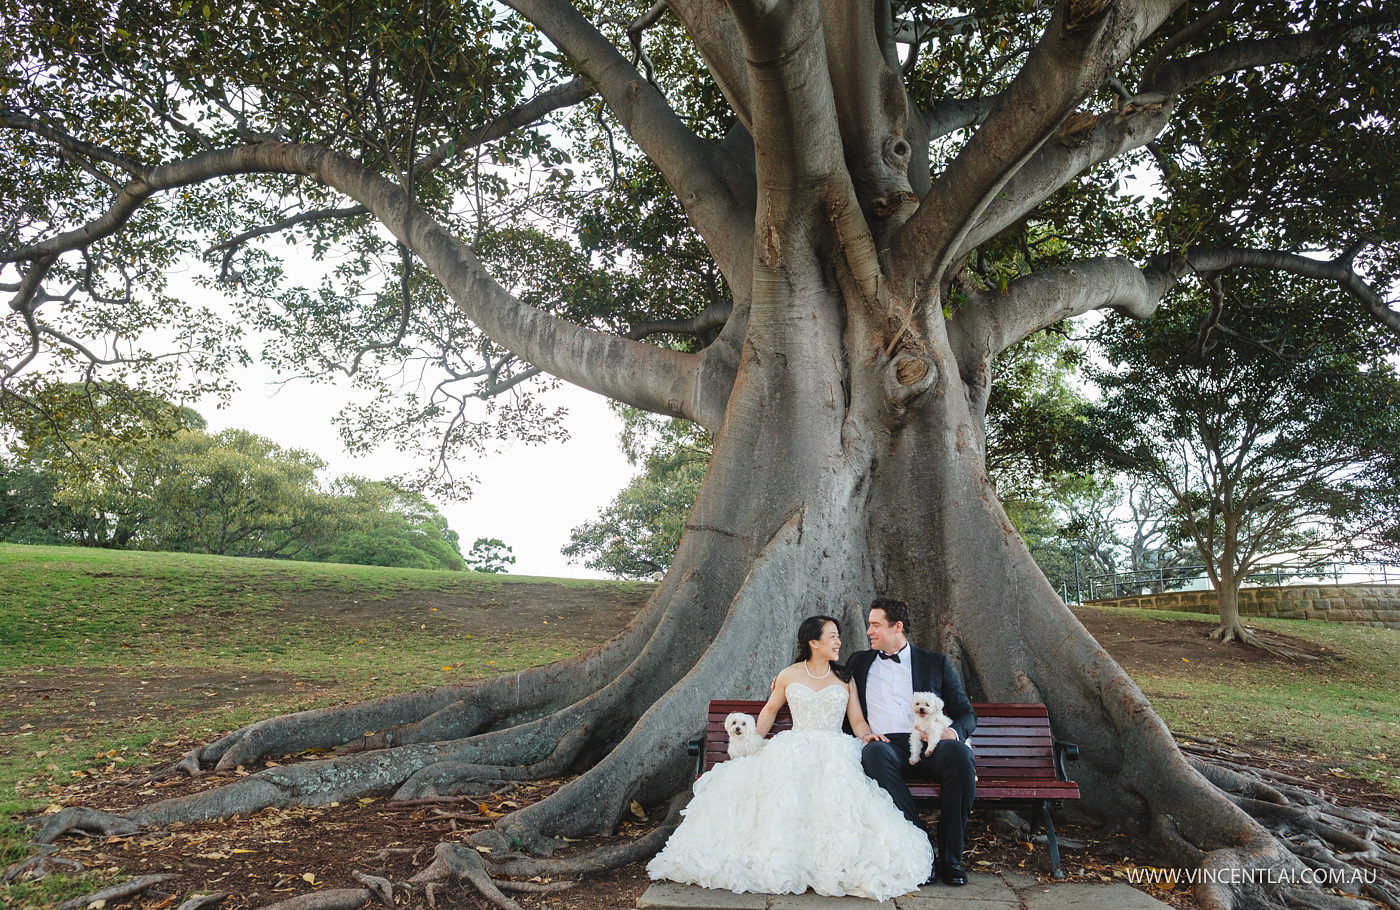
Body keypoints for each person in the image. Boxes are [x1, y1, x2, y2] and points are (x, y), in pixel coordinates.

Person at [646, 616, 933, 901]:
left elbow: (856, 720)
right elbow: (770, 711)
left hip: (836, 749)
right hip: (794, 746)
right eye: (832, 636)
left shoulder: (845, 677)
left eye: (838, 636)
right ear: (813, 642)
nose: (838, 642)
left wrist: (867, 735)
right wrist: (753, 743)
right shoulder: (788, 675)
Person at [847, 597, 978, 886]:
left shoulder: (935, 662)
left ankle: (951, 859)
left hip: (931, 744)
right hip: (887, 746)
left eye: (875, 625)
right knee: (873, 753)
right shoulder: (858, 661)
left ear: (897, 627)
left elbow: (966, 714)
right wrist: (789, 677)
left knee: (960, 756)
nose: (868, 631)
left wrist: (952, 733)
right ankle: (921, 848)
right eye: (869, 625)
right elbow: (825, 675)